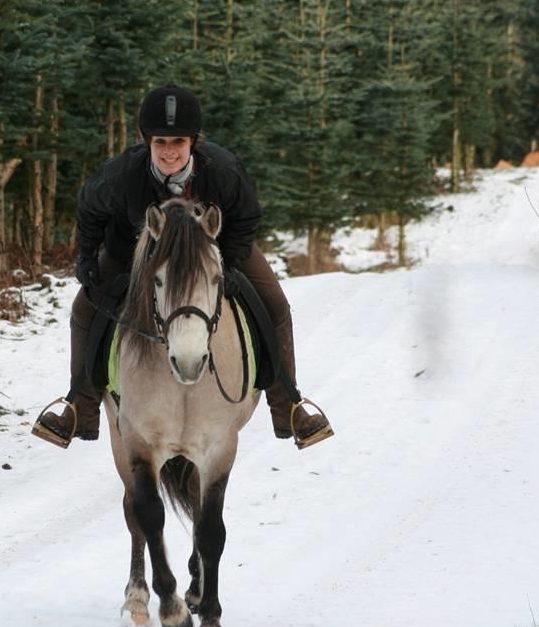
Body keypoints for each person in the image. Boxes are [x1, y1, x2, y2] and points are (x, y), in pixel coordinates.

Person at [32, 85, 334, 450]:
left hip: (215, 249)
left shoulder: (221, 170)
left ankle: (289, 406)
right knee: (84, 308)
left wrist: (231, 262)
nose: (169, 152)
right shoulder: (121, 175)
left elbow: (246, 216)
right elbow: (89, 211)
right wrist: (86, 258)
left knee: (274, 303)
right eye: (160, 142)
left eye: (178, 141)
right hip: (131, 250)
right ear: (148, 142)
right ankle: (78, 406)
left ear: (193, 142)